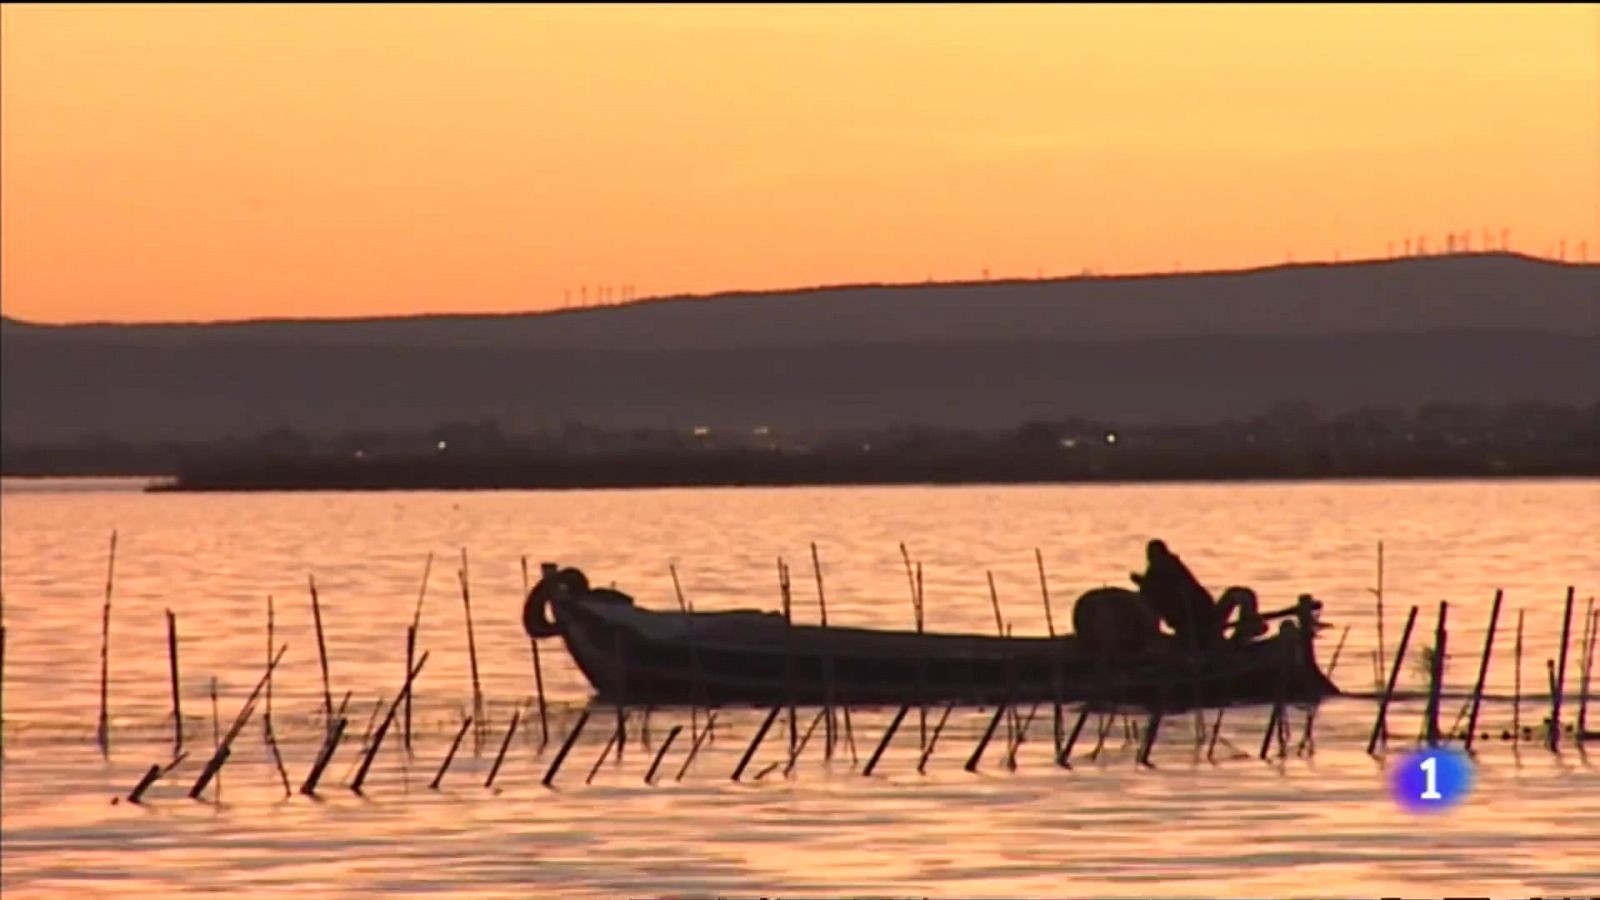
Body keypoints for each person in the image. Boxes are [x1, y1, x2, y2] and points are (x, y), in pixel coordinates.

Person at [1130, 539, 1223, 650]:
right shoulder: (1168, 565)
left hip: (1193, 615)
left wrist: (1141, 582)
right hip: (1195, 614)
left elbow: (1156, 587)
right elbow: (1157, 586)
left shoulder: (1163, 565)